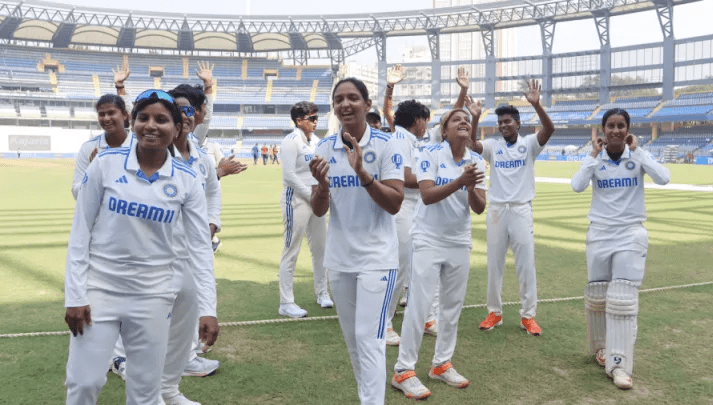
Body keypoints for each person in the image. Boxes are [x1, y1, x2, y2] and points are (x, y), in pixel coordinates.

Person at [64, 89, 218, 405]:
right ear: (132, 123)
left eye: (161, 120)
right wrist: (75, 295)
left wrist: (208, 309)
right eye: (143, 118)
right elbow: (80, 233)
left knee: (145, 392)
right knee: (83, 383)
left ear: (177, 130)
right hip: (100, 293)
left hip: (153, 298)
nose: (151, 125)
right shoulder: (105, 164)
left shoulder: (187, 179)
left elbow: (200, 248)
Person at [309, 77, 404, 405]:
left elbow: (395, 203)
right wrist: (321, 186)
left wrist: (364, 174)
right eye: (339, 99)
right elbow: (319, 211)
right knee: (354, 342)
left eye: (352, 98)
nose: (345, 104)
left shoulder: (386, 144)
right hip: (339, 260)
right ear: (334, 107)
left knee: (370, 339)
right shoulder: (323, 148)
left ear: (366, 104)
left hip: (377, 259)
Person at [571, 108, 670, 390]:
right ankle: (601, 348)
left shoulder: (636, 157)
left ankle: (620, 365)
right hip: (599, 234)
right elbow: (577, 186)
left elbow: (663, 178)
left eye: (621, 125)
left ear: (628, 129)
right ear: (602, 130)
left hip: (630, 234)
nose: (615, 130)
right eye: (610, 126)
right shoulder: (594, 160)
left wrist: (638, 152)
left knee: (623, 299)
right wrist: (592, 156)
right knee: (599, 297)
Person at [392, 108, 487, 399]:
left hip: (459, 241)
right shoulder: (429, 152)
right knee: (419, 306)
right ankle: (403, 370)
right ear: (444, 130)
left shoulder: (477, 160)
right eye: (456, 120)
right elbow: (427, 195)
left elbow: (480, 206)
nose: (464, 122)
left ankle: (441, 364)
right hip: (428, 239)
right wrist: (460, 181)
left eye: (467, 120)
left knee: (451, 308)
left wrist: (470, 187)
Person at [470, 79, 555, 336]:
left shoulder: (528, 144)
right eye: (500, 122)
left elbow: (549, 129)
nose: (504, 125)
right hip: (496, 210)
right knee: (494, 264)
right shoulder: (493, 147)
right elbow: (471, 145)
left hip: (520, 210)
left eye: (508, 121)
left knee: (525, 264)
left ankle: (528, 316)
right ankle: (494, 312)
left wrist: (537, 105)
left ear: (518, 123)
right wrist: (474, 119)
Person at [381, 71, 436, 346]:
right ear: (417, 121)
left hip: (413, 210)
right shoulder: (401, 140)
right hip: (403, 210)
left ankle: (422, 317)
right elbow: (402, 175)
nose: (427, 125)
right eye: (425, 120)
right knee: (400, 268)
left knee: (416, 268)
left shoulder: (407, 138)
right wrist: (436, 180)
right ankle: (386, 324)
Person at [278, 101, 331, 318]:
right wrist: (311, 195)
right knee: (292, 250)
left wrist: (318, 196)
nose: (315, 122)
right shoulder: (291, 141)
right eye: (311, 118)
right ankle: (286, 302)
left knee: (320, 248)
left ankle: (322, 293)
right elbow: (289, 175)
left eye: (317, 117)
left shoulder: (318, 142)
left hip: (314, 199)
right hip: (296, 201)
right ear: (299, 121)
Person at [71, 94, 131, 200]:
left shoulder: (141, 146)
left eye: (111, 113)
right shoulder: (88, 148)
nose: (106, 118)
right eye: (101, 114)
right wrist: (93, 174)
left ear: (125, 115)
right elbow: (76, 192)